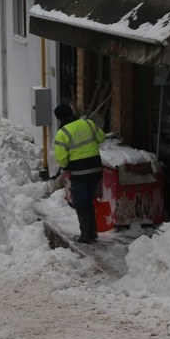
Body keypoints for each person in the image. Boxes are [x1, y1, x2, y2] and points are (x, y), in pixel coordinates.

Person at [53, 103, 106, 244]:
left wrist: (67, 167)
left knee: (81, 202)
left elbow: (61, 157)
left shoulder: (62, 133)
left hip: (79, 172)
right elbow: (101, 138)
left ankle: (86, 235)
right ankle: (93, 232)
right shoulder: (88, 123)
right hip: (96, 169)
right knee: (89, 199)